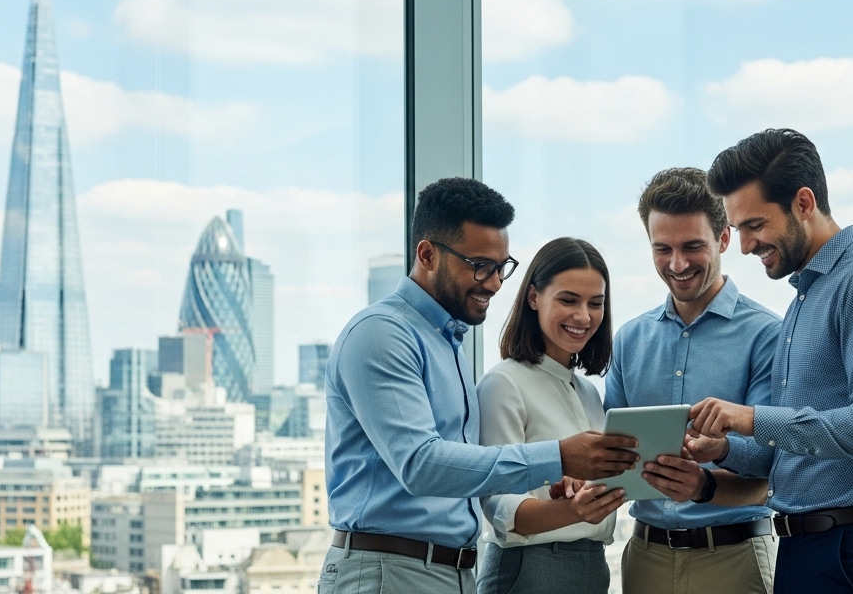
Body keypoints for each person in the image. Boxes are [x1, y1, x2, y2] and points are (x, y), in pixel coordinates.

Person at [321, 178, 640, 594]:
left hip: (449, 571)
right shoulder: (382, 334)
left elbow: (466, 471)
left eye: (501, 268)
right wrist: (558, 458)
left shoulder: (447, 343)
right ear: (427, 254)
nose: (493, 283)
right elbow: (420, 464)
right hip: (390, 570)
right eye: (479, 266)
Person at [687, 129, 853, 594]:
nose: (743, 245)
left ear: (803, 202)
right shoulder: (807, 297)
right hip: (812, 549)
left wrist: (754, 417)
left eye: (754, 225)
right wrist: (724, 448)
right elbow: (800, 448)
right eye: (739, 229)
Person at [605, 168, 782, 594]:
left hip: (735, 560)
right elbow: (608, 448)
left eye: (692, 247)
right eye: (661, 248)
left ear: (723, 239)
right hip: (645, 558)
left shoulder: (767, 335)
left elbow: (773, 471)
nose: (677, 264)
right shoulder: (630, 339)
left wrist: (708, 477)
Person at [475, 237, 627, 594]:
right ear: (533, 298)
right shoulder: (504, 384)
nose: (583, 316)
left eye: (596, 303)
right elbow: (500, 508)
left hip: (592, 565)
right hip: (532, 568)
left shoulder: (589, 393)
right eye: (568, 300)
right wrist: (575, 510)